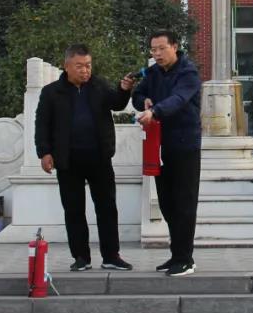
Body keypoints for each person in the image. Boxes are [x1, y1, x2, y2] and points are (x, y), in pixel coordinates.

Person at [35, 44, 136, 272]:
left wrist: (124, 89)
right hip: (67, 161)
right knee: (74, 209)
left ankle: (111, 256)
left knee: (107, 208)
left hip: (99, 158)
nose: (85, 71)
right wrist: (44, 152)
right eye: (79, 66)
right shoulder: (51, 92)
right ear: (67, 66)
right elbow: (42, 125)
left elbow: (117, 104)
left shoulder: (98, 86)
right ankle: (81, 257)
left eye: (88, 65)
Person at [132, 30, 203, 277]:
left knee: (184, 202)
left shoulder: (188, 72)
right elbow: (137, 94)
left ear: (175, 46)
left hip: (185, 145)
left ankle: (186, 259)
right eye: (153, 50)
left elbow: (179, 99)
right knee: (166, 202)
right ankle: (176, 255)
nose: (157, 54)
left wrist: (156, 111)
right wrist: (145, 101)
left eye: (162, 48)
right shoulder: (152, 73)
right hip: (160, 145)